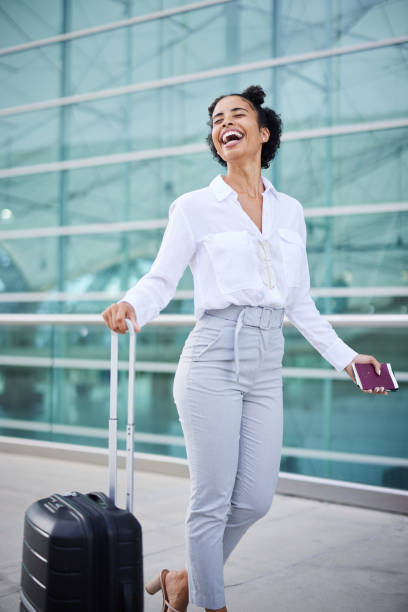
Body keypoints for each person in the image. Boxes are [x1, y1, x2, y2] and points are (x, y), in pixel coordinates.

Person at [102, 85, 387, 612]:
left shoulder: (291, 212)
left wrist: (348, 358)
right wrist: (131, 305)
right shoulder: (193, 208)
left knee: (254, 499)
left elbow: (300, 303)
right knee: (209, 502)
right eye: (216, 119)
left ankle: (182, 579)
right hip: (212, 356)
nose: (223, 123)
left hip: (265, 360)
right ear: (217, 139)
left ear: (263, 132)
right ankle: (212, 604)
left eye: (237, 115)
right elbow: (161, 278)